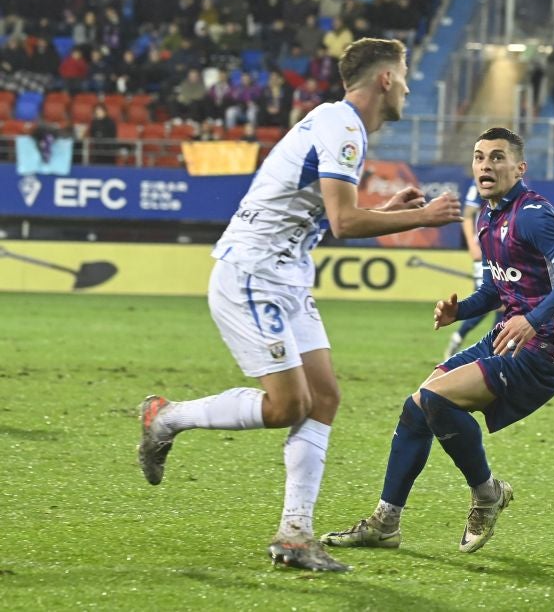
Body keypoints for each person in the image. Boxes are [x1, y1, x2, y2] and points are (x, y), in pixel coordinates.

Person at [136, 38, 463, 573]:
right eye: (403, 76)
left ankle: (295, 534)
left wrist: (385, 209)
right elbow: (345, 222)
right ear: (384, 79)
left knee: (325, 397)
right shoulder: (342, 125)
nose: (406, 87)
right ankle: (166, 418)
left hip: (286, 277)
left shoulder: (339, 126)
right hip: (252, 274)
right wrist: (421, 219)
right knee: (288, 405)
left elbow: (332, 214)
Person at [321, 127, 554, 553]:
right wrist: (460, 310)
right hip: (505, 336)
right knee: (415, 407)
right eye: (479, 157)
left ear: (519, 168)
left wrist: (532, 319)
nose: (486, 165)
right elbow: (495, 291)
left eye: (497, 157)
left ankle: (487, 495)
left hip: (543, 350)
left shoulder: (533, 214)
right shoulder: (487, 218)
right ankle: (385, 523)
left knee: (436, 399)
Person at [444, 181, 503, 358]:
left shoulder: (515, 184)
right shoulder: (482, 182)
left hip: (505, 252)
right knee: (488, 301)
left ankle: (495, 352)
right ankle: (459, 337)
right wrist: (471, 244)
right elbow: (468, 214)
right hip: (484, 251)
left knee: (505, 304)